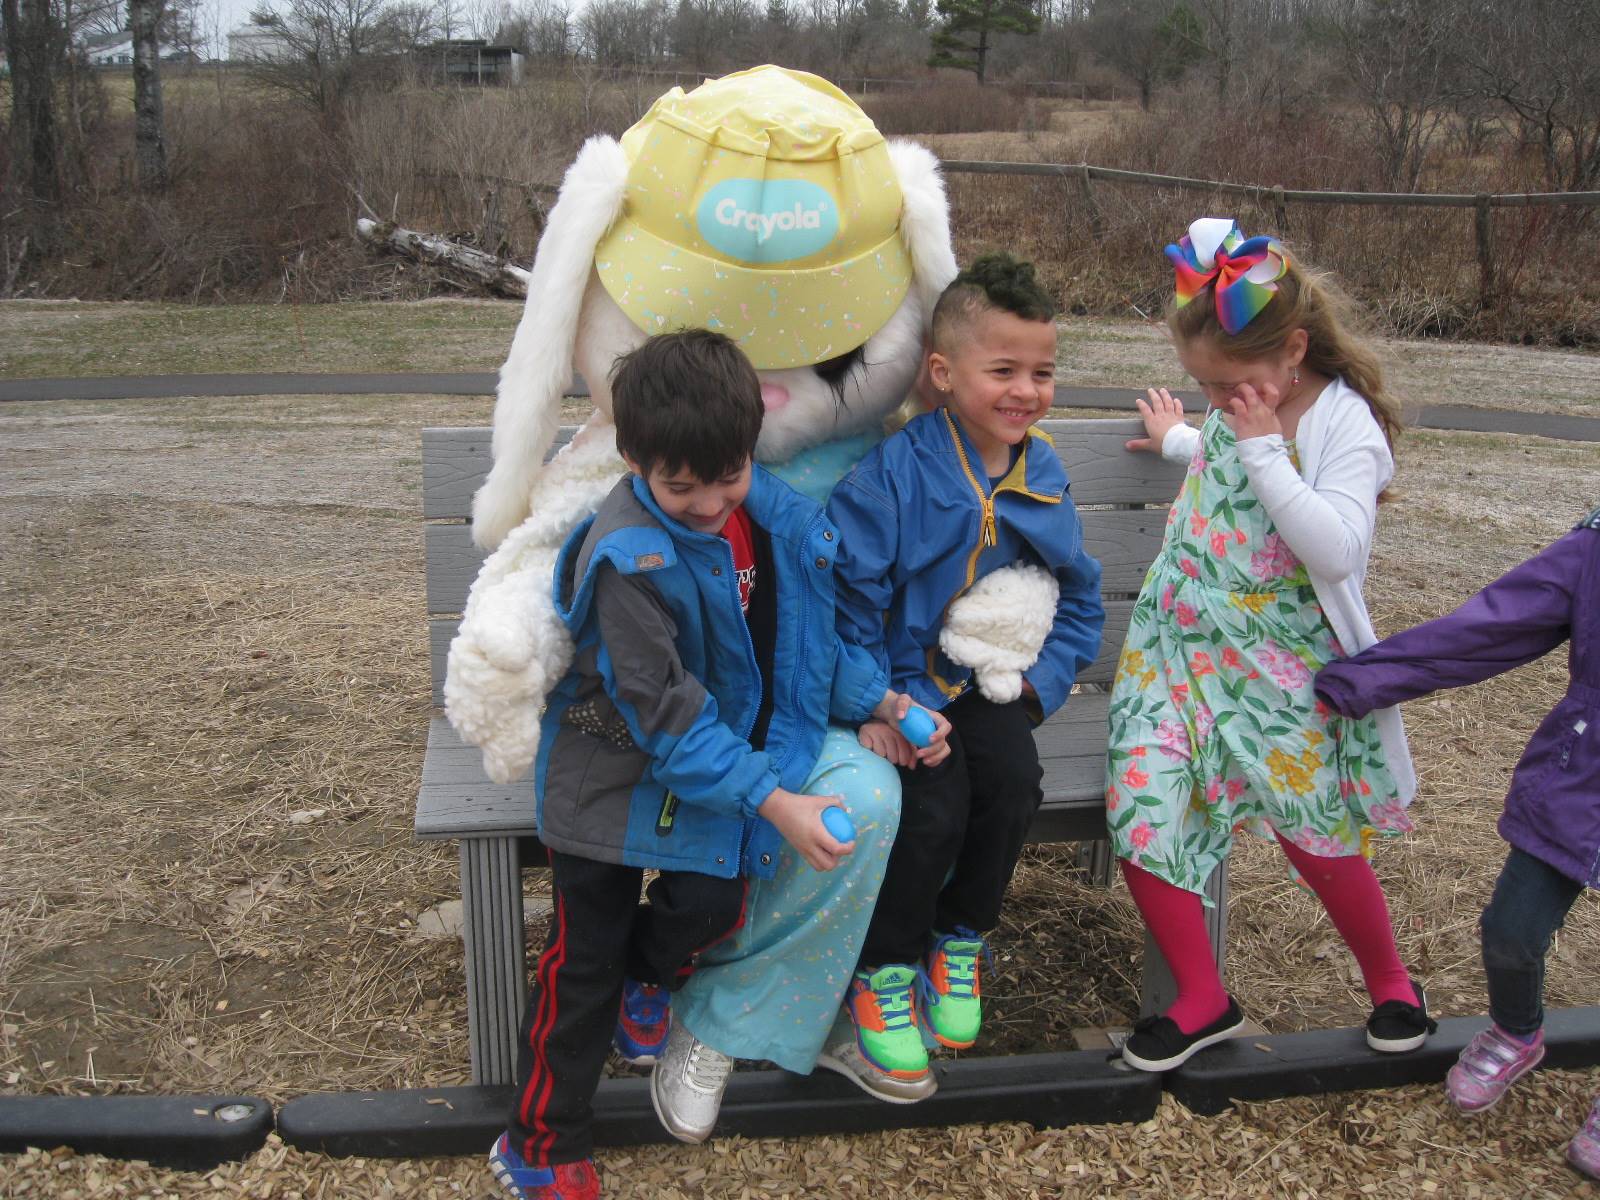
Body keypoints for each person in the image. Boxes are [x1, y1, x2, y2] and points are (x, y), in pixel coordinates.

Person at [488, 330, 907, 1200]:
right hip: (610, 768)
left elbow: (805, 644)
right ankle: (541, 1139)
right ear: (635, 458)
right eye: (682, 486)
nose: (712, 504)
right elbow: (668, 716)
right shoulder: (629, 557)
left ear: (752, 448)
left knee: (713, 900)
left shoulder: (770, 520)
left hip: (704, 765)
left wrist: (882, 702)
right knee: (584, 956)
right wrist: (774, 799)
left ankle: (652, 981)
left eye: (730, 477)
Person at [1107, 217, 1431, 1073]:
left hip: (1276, 664)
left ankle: (1393, 983)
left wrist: (1261, 449)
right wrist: (1182, 435)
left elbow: (1336, 550)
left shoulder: (1339, 423)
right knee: (1139, 810)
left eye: (1230, 385)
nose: (1221, 401)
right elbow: (1214, 446)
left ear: (1293, 350)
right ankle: (1201, 996)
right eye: (1203, 384)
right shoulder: (1235, 407)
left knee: (1313, 828)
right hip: (1174, 647)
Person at [823, 252, 1106, 1100]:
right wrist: (874, 702)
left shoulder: (1040, 475)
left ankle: (960, 942)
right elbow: (846, 603)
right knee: (934, 810)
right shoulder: (893, 478)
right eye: (1005, 370)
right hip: (902, 689)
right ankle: (882, 971)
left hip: (984, 682)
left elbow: (1080, 598)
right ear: (943, 375)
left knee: (1014, 784)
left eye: (1043, 372)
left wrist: (1038, 686)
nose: (1026, 390)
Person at [1314, 506, 1600, 1180]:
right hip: (1581, 780)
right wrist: (1367, 676)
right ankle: (1515, 1030)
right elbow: (1491, 626)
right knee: (1511, 930)